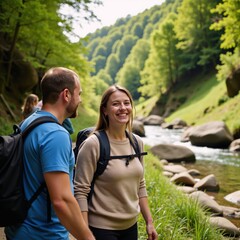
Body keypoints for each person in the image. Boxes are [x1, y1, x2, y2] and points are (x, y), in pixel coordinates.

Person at [5, 67, 95, 240]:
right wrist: (87, 237)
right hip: (43, 234)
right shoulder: (56, 134)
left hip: (18, 228)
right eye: (79, 94)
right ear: (66, 94)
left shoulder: (29, 122)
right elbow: (61, 200)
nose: (80, 100)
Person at [74, 85, 158, 240]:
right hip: (100, 229)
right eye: (115, 104)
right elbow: (80, 191)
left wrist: (149, 222)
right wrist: (84, 233)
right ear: (105, 110)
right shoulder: (93, 144)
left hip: (131, 226)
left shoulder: (136, 142)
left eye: (126, 103)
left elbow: (140, 184)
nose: (123, 108)